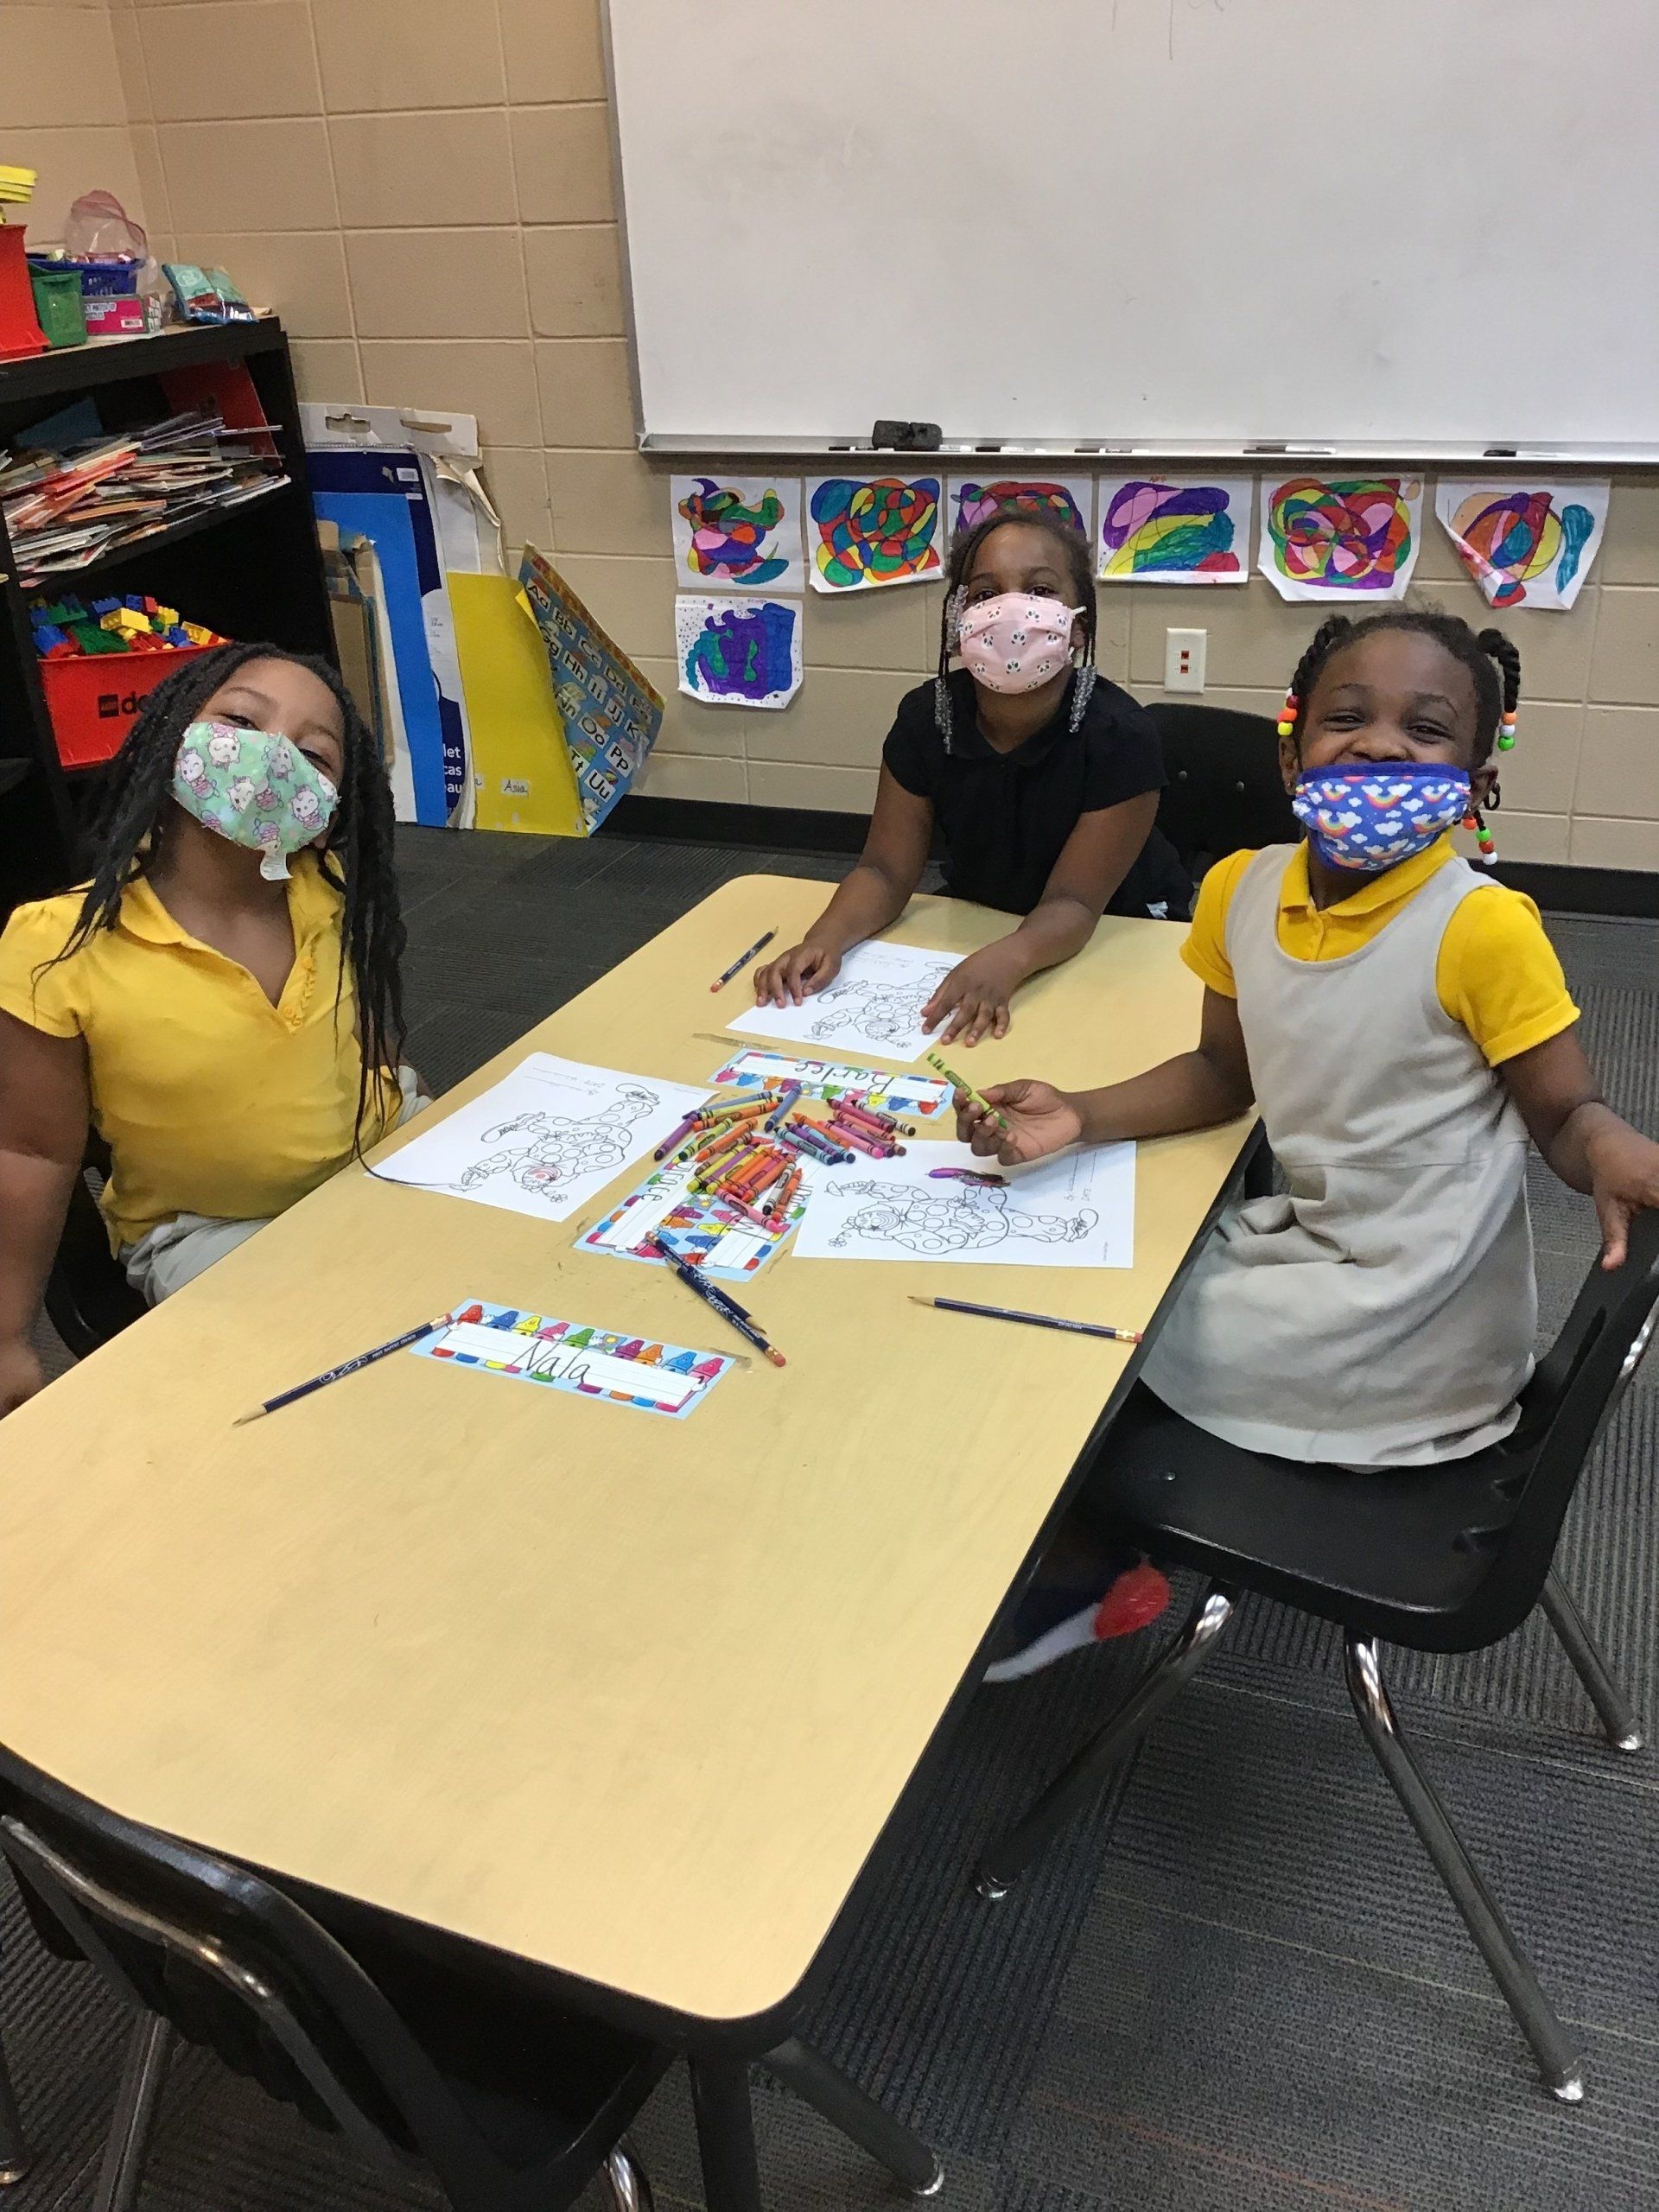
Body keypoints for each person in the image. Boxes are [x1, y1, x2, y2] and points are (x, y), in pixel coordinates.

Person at [962, 607, 1659, 1676]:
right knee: (1106, 1267)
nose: (1380, 744)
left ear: (1477, 780)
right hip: (1310, 1239)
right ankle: (1097, 1529)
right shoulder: (1239, 890)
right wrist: (1083, 1112)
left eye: (1427, 731)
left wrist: (1605, 1143)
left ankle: (1092, 1558)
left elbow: (1564, 1113)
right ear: (1290, 750)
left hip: (1414, 1303)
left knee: (1095, 1331)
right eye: (1347, 716)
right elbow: (1221, 1076)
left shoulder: (1483, 926)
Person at [0, 644, 418, 1416]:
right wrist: (7, 1338)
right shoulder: (60, 942)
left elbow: (373, 1042)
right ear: (170, 738)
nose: (271, 756)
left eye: (313, 754)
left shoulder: (327, 895)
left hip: (377, 1166)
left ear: (326, 817)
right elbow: (29, 1150)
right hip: (211, 1232)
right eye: (240, 719)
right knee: (345, 1375)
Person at [753, 506, 1191, 1046]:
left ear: (1079, 625)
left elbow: (1074, 903)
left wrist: (1008, 958)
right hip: (986, 918)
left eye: (1041, 590)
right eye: (985, 594)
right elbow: (886, 872)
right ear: (959, 620)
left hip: (1118, 928)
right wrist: (825, 938)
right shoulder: (926, 717)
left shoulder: (1121, 736)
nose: (1012, 610)